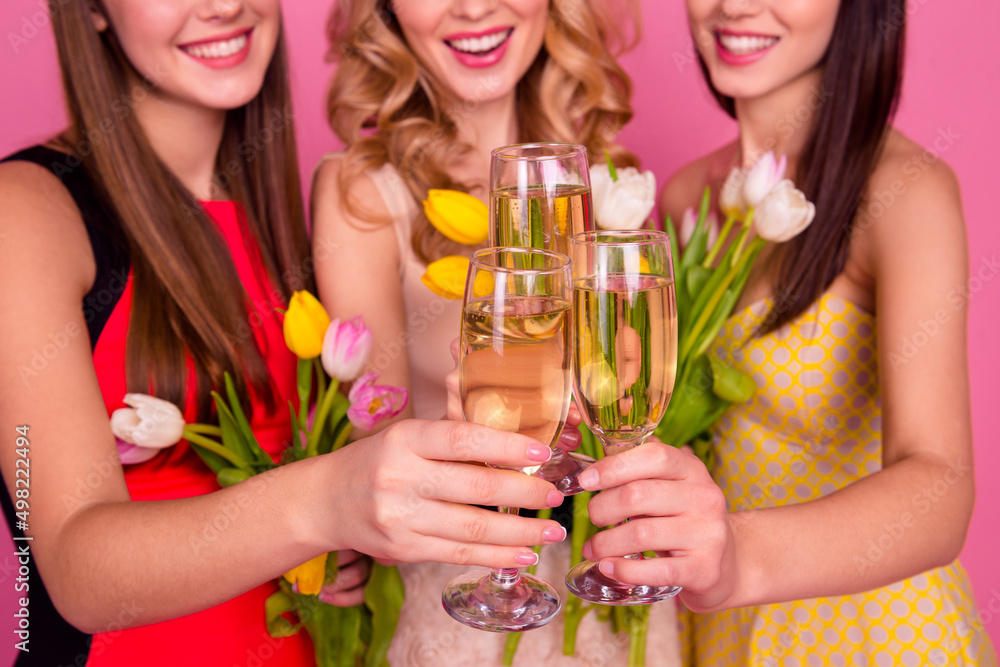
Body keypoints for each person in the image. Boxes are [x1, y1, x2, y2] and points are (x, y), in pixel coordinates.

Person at [0, 1, 569, 665]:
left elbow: (282, 502)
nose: (222, 7)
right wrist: (329, 500)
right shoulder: (26, 211)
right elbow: (74, 568)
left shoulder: (276, 224)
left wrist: (338, 548)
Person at [572, 0, 999, 665]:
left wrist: (740, 556)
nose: (735, 6)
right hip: (721, 633)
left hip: (877, 634)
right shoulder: (687, 196)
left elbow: (940, 484)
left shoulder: (904, 191)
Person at [311, 0, 682, 664]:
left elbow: (628, 390)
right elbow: (375, 446)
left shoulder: (604, 174)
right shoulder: (361, 190)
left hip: (609, 589)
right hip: (467, 600)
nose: (475, 7)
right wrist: (465, 444)